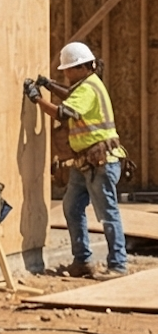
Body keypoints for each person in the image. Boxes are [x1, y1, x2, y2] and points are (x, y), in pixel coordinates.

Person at [28, 41, 128, 277]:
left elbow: (64, 112)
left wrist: (37, 100)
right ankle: (82, 260)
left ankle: (118, 264)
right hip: (87, 163)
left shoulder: (88, 88)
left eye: (68, 69)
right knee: (72, 207)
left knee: (107, 214)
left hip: (100, 162)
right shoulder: (88, 84)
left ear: (82, 68)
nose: (66, 73)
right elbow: (70, 95)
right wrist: (49, 86)